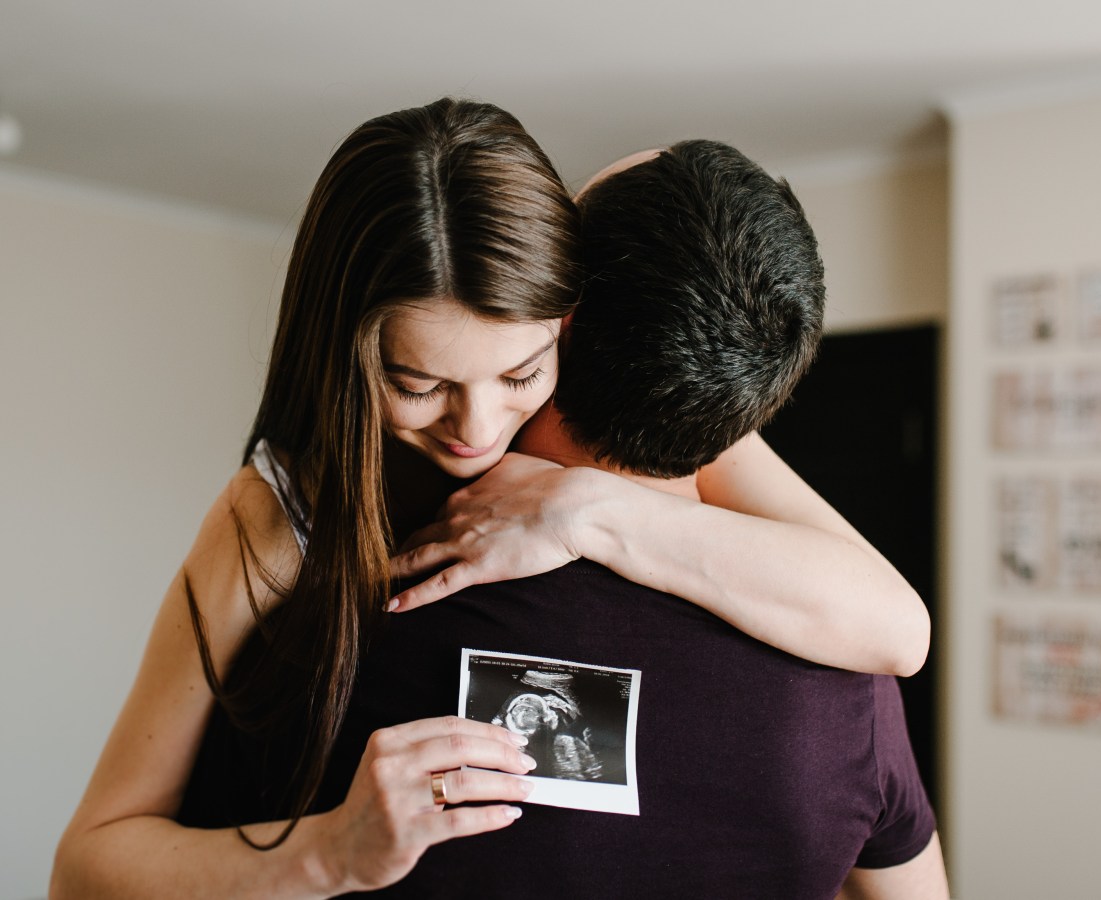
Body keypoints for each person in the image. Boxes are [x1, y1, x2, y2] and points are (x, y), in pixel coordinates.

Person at [51, 99, 927, 898]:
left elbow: (901, 628)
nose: (475, 429)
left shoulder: (825, 622)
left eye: (518, 372)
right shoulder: (289, 518)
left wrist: (589, 509)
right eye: (417, 381)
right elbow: (87, 864)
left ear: (563, 323)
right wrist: (326, 853)